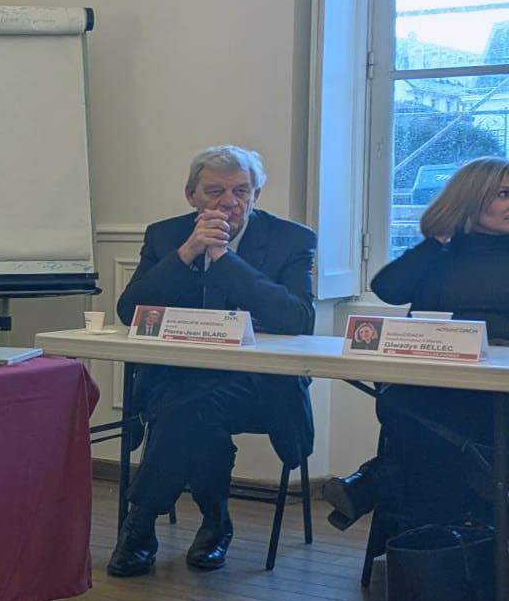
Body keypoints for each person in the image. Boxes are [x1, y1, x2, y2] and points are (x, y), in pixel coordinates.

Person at [108, 146, 315, 577]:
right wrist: (187, 254)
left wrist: (224, 260)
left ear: (257, 194)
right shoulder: (165, 237)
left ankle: (140, 524)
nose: (228, 202)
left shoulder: (291, 239)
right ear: (191, 196)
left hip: (259, 384)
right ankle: (215, 522)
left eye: (241, 191)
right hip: (179, 378)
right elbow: (130, 312)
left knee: (183, 411)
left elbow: (297, 319)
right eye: (215, 191)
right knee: (191, 409)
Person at [326, 158, 509, 531]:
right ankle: (436, 542)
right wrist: (437, 239)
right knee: (409, 403)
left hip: (496, 388)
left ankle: (379, 481)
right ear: (472, 199)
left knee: (439, 424)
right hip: (435, 381)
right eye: (504, 194)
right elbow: (388, 289)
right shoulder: (440, 254)